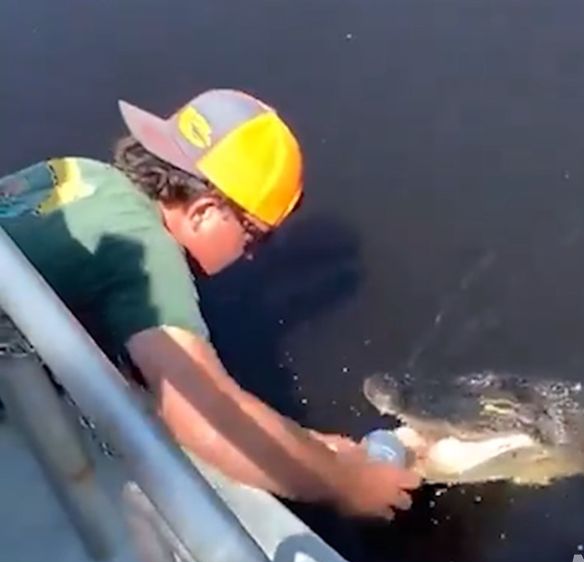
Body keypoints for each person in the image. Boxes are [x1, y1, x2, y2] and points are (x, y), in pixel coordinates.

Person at [0, 88, 420, 520]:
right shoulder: (147, 251)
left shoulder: (84, 176)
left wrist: (314, 451)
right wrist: (348, 484)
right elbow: (206, 415)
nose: (253, 254)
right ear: (203, 211)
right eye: (255, 235)